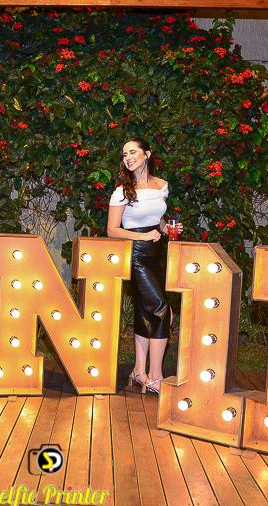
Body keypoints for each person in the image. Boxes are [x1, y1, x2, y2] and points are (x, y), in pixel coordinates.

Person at [107, 138, 182, 394]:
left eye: (132, 152)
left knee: (145, 310)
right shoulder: (122, 191)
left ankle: (139, 371)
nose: (128, 157)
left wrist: (167, 228)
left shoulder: (161, 186)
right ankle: (156, 376)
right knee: (162, 310)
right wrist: (143, 236)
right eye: (124, 154)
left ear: (146, 154)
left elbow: (157, 219)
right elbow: (112, 230)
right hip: (136, 254)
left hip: (157, 253)